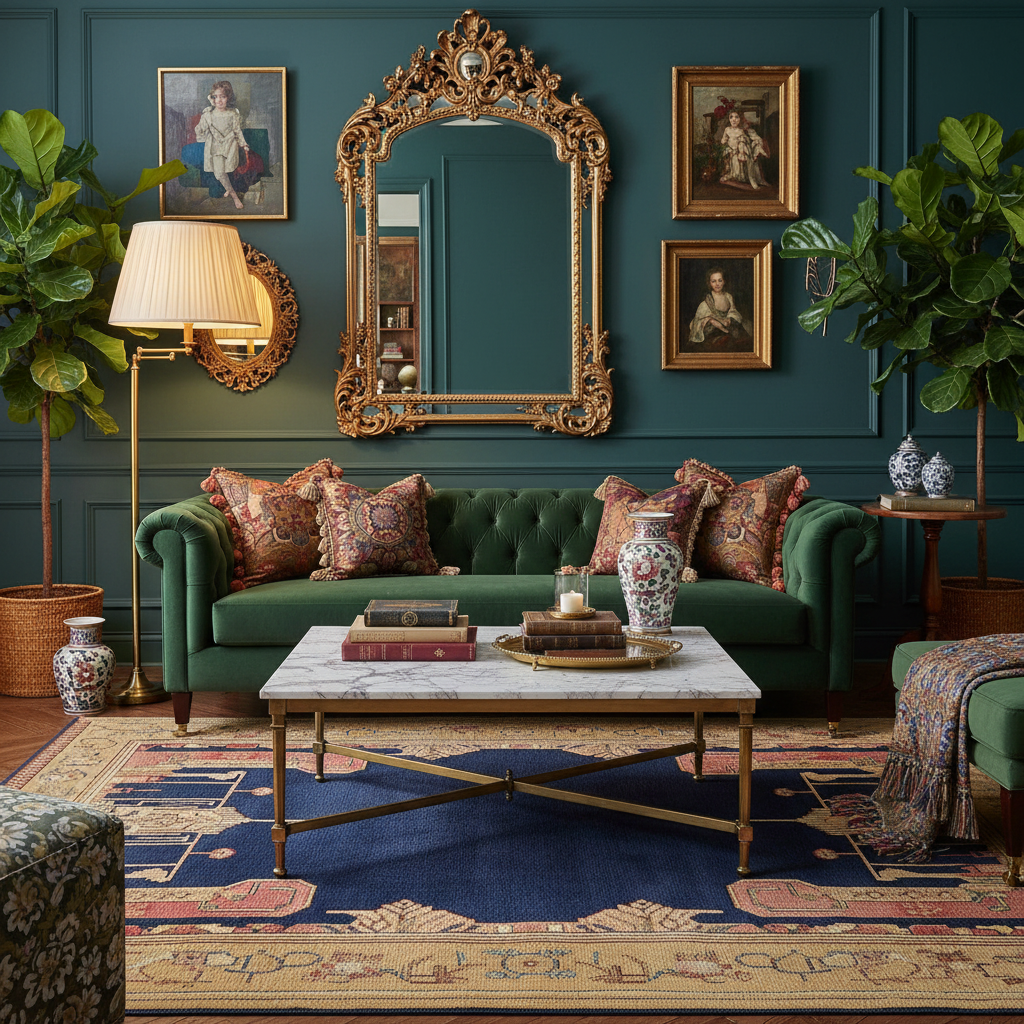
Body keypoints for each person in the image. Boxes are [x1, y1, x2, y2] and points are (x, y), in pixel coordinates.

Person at [194, 80, 250, 210]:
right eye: (215, 97)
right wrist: (204, 119)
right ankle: (234, 196)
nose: (219, 100)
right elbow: (199, 129)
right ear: (212, 99)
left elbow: (237, 131)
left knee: (227, 170)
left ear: (228, 98)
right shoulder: (208, 115)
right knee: (219, 173)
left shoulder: (232, 114)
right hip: (215, 147)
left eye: (222, 97)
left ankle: (227, 188)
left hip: (230, 145)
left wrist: (243, 144)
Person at [688, 267, 752, 346]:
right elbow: (698, 321)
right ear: (710, 283)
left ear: (724, 281)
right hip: (713, 329)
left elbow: (733, 310)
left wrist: (729, 319)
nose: (717, 284)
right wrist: (712, 321)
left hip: (727, 324)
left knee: (742, 330)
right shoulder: (707, 301)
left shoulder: (728, 296)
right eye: (713, 281)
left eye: (720, 280)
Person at [718, 110, 769, 190]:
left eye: (736, 117)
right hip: (732, 152)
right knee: (731, 163)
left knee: (744, 146)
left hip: (742, 152)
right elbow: (723, 140)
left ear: (740, 119)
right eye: (731, 117)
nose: (733, 119)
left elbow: (753, 138)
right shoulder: (727, 129)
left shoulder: (742, 130)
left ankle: (752, 179)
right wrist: (724, 141)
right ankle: (731, 174)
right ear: (728, 119)